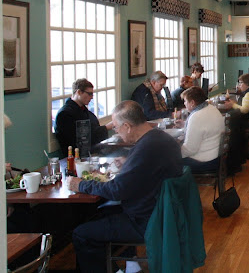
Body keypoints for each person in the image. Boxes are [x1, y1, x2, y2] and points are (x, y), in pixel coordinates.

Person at [68, 101, 182, 273]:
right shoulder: (160, 138)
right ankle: (129, 263)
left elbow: (116, 190)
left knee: (81, 233)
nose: (116, 132)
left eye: (116, 127)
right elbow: (146, 168)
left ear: (127, 126)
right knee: (103, 212)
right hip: (163, 211)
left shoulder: (145, 148)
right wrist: (129, 162)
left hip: (147, 220)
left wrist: (81, 184)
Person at [54, 78, 113, 151]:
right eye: (89, 94)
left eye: (92, 94)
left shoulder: (84, 111)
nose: (92, 97)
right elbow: (80, 139)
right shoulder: (65, 114)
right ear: (79, 92)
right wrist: (106, 128)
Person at [178, 86, 224, 173]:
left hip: (204, 162)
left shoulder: (196, 117)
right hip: (216, 157)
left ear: (192, 102)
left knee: (167, 161)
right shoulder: (211, 108)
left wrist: (174, 153)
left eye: (185, 101)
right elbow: (205, 126)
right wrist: (185, 125)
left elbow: (190, 150)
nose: (184, 104)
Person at [224, 73, 249, 172]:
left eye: (240, 83)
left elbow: (244, 110)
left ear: (246, 84)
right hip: (243, 120)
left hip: (244, 121)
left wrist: (233, 105)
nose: (239, 85)